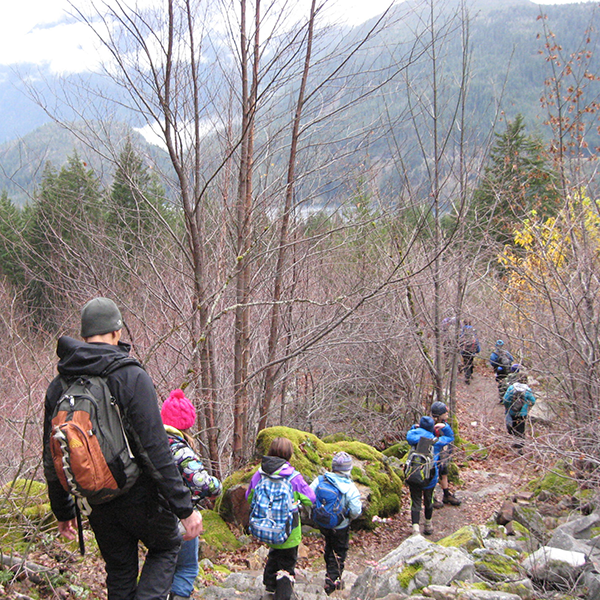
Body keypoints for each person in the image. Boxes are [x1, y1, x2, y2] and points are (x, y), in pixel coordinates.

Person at [43, 298, 203, 600]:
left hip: (96, 499)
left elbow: (51, 456)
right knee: (167, 546)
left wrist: (63, 509)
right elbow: (156, 450)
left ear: (85, 334)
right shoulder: (130, 375)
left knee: (119, 573)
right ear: (117, 332)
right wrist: (184, 508)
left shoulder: (60, 384)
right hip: (140, 495)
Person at [161, 388, 222, 600]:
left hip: (154, 516)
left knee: (162, 565)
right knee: (187, 568)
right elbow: (201, 482)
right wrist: (217, 486)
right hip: (180, 517)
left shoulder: (153, 444)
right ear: (188, 425)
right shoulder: (180, 448)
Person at [246, 437, 316, 600]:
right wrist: (297, 501)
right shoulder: (293, 477)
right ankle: (283, 594)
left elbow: (249, 497)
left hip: (267, 526)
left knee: (274, 553)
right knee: (287, 562)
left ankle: (270, 587)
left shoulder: (260, 473)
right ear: (289, 454)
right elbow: (310, 498)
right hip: (289, 530)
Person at [310, 452, 362, 596]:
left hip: (323, 523)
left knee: (329, 546)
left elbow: (309, 495)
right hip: (340, 526)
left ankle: (330, 572)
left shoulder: (321, 479)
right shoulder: (349, 487)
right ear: (348, 469)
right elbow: (356, 510)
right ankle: (333, 580)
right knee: (340, 551)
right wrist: (349, 516)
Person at [405, 416, 452, 535]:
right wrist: (445, 427)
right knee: (428, 500)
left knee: (415, 501)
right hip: (429, 477)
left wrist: (414, 428)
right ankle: (428, 524)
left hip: (414, 475)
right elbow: (450, 438)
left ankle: (415, 528)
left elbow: (409, 433)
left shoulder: (412, 437)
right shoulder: (436, 441)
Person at [430, 401, 461, 508]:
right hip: (433, 454)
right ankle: (431, 497)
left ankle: (446, 494)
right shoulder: (430, 425)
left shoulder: (444, 423)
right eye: (445, 412)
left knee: (444, 471)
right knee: (432, 474)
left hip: (443, 453)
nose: (447, 413)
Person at [503, 372, 536, 451]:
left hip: (512, 412)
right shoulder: (527, 389)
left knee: (513, 426)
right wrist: (527, 406)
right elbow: (533, 401)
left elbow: (505, 400)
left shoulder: (512, 388)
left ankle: (515, 441)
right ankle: (520, 447)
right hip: (522, 413)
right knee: (521, 428)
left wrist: (508, 408)